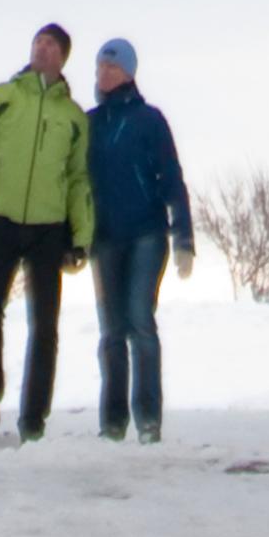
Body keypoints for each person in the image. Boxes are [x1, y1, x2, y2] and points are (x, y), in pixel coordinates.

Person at [0, 20, 93, 440]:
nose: (42, 48)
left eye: (51, 45)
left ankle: (33, 417)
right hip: (1, 220)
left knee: (44, 324)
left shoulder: (73, 117)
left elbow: (79, 179)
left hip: (48, 227)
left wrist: (80, 238)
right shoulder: (3, 97)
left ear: (63, 57)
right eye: (37, 42)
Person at [85, 37, 195, 445]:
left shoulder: (150, 120)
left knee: (139, 321)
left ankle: (148, 419)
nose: (104, 74)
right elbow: (74, 185)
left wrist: (183, 236)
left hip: (147, 234)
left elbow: (172, 178)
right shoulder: (89, 123)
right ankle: (112, 423)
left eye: (112, 67)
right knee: (111, 330)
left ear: (129, 73)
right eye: (100, 67)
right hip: (104, 239)